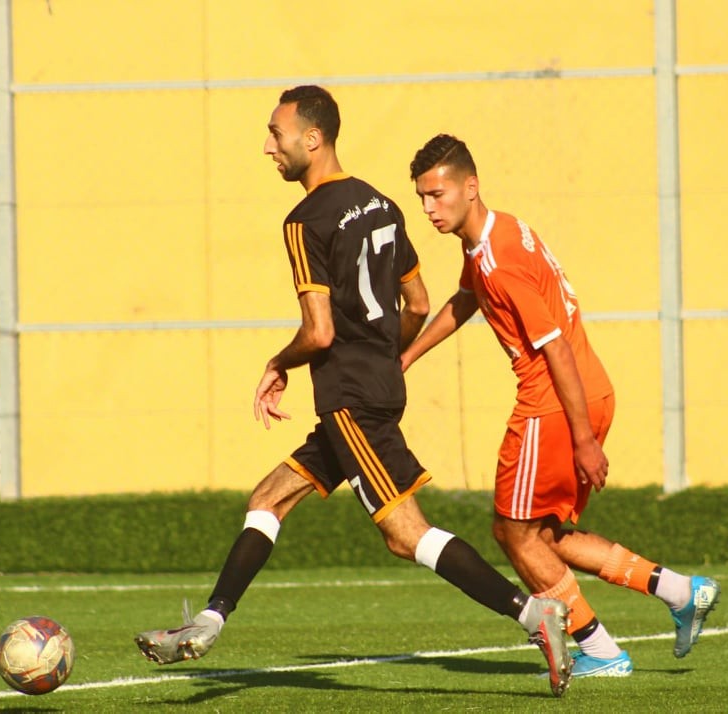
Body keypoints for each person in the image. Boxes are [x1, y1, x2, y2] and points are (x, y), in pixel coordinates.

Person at [135, 87, 573, 697]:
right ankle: (208, 621)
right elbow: (416, 304)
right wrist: (381, 359)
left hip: (349, 398)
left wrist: (279, 362)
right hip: (372, 389)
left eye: (276, 134)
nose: (268, 147)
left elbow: (319, 332)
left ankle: (533, 613)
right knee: (269, 498)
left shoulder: (303, 222)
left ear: (312, 139)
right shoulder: (383, 204)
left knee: (405, 534)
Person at [401, 134, 721, 678]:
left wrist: (583, 441)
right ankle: (681, 592)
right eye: (422, 198)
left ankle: (601, 651)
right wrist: (408, 355)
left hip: (552, 402)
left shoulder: (499, 259)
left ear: (470, 187)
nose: (429, 208)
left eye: (438, 194)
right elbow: (466, 298)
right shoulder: (495, 235)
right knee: (544, 535)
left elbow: (556, 350)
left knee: (513, 533)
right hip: (590, 392)